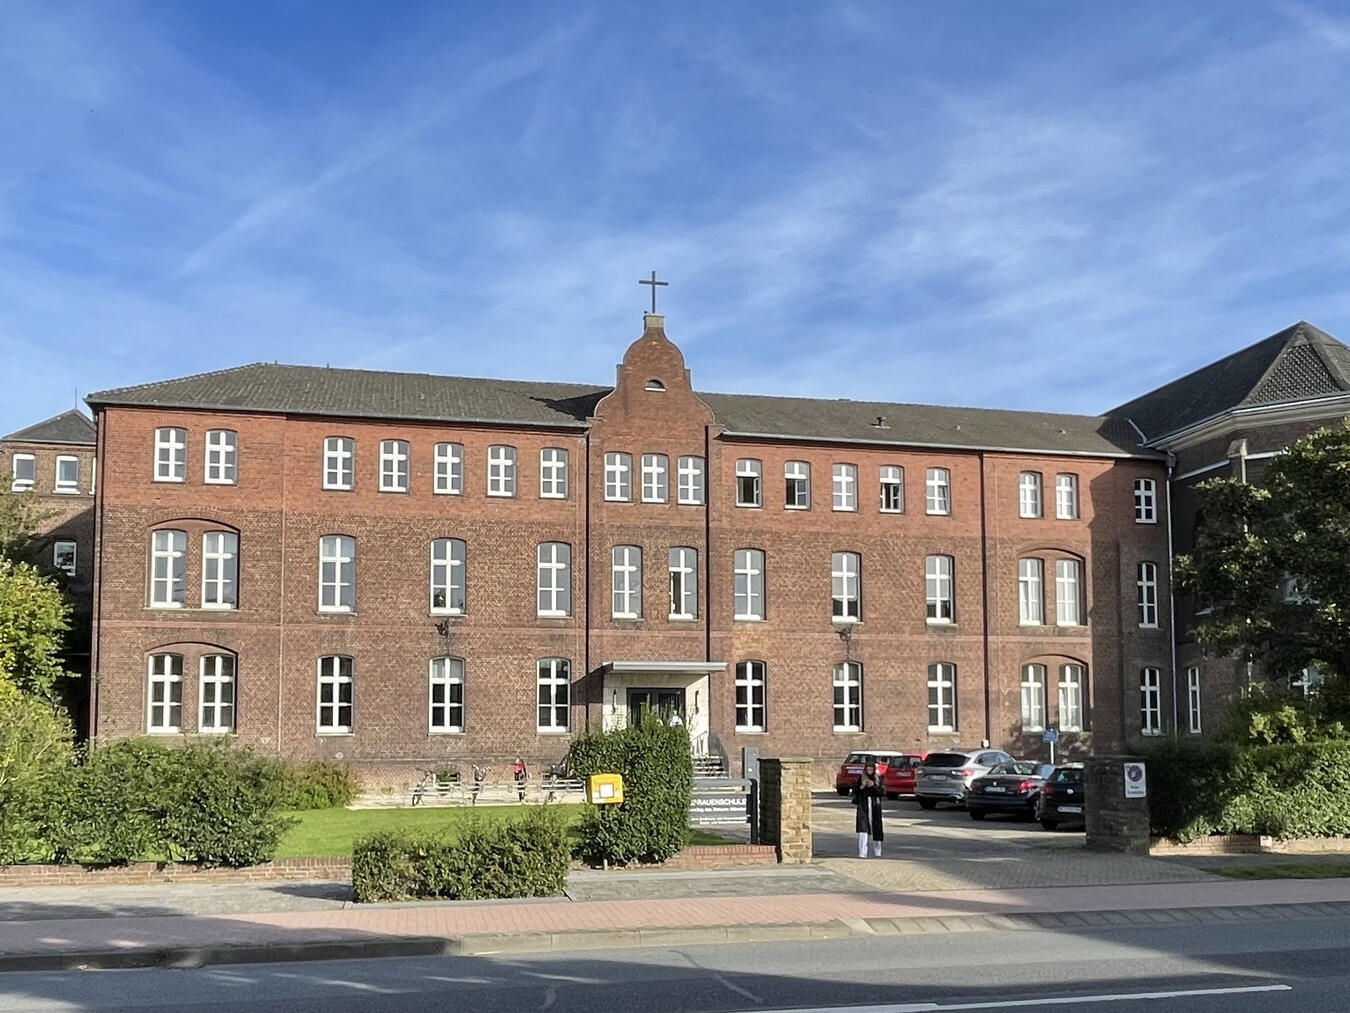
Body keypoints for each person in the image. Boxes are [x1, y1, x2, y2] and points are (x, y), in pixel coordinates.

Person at [852, 759, 885, 858]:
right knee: (863, 828)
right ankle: (862, 852)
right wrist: (862, 786)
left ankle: (877, 850)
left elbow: (881, 792)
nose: (869, 771)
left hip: (875, 805)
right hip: (863, 804)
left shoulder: (878, 778)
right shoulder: (860, 778)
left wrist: (873, 786)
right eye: (868, 769)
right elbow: (855, 791)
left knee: (876, 827)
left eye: (871, 769)